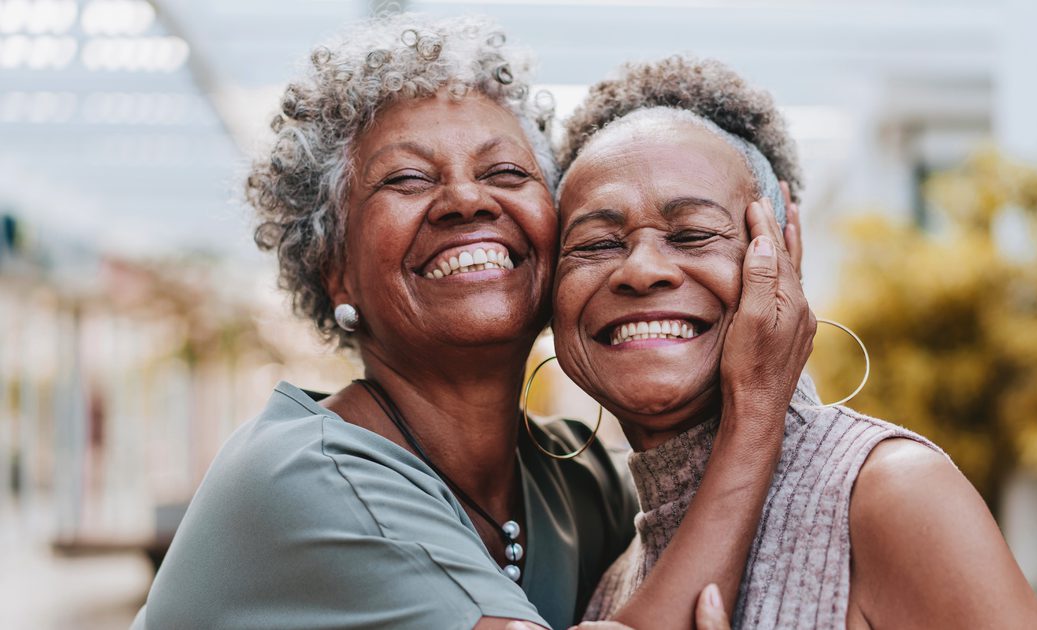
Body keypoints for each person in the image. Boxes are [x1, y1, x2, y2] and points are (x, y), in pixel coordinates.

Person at [133, 15, 812, 630]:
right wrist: (758, 412)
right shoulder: (309, 475)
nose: (465, 198)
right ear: (332, 267)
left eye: (507, 172)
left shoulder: (575, 480)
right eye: (406, 180)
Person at [550, 56, 1037, 629]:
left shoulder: (892, 494)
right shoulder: (614, 580)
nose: (641, 270)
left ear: (783, 251)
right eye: (595, 244)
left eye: (692, 234)